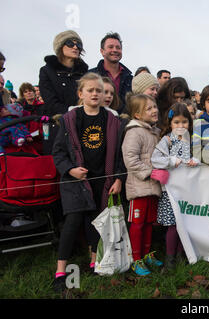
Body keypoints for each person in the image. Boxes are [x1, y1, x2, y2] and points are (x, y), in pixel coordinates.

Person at [51, 72, 124, 292]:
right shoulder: (69, 120)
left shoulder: (113, 121)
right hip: (74, 182)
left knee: (96, 222)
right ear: (80, 93)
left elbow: (120, 155)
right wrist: (70, 170)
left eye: (99, 90)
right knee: (72, 223)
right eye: (90, 90)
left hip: (102, 180)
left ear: (104, 95)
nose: (95, 93)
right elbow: (58, 153)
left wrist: (118, 178)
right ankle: (61, 271)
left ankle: (94, 262)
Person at [151, 102, 199, 270]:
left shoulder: (191, 139)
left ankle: (181, 256)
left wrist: (195, 161)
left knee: (184, 224)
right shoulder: (167, 140)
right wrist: (171, 161)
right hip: (170, 192)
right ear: (170, 123)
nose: (180, 126)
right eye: (176, 122)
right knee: (173, 225)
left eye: (184, 122)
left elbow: (199, 156)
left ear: (189, 123)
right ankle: (170, 259)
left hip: (188, 190)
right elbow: (155, 159)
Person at [121, 93, 164, 276]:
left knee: (148, 222)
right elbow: (130, 159)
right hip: (138, 188)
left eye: (154, 106)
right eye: (149, 108)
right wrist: (150, 172)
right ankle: (135, 259)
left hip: (153, 187)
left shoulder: (154, 132)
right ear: (137, 115)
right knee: (138, 224)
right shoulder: (134, 132)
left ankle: (147, 254)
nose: (154, 110)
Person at [39, 30, 88, 118]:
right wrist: (74, 113)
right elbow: (51, 102)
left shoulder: (85, 73)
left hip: (83, 123)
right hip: (58, 123)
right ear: (60, 46)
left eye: (79, 45)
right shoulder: (46, 71)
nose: (75, 47)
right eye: (70, 43)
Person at [89, 32, 132, 114]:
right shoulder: (90, 76)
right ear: (102, 51)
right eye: (110, 47)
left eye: (118, 47)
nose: (115, 50)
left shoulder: (130, 79)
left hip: (124, 123)